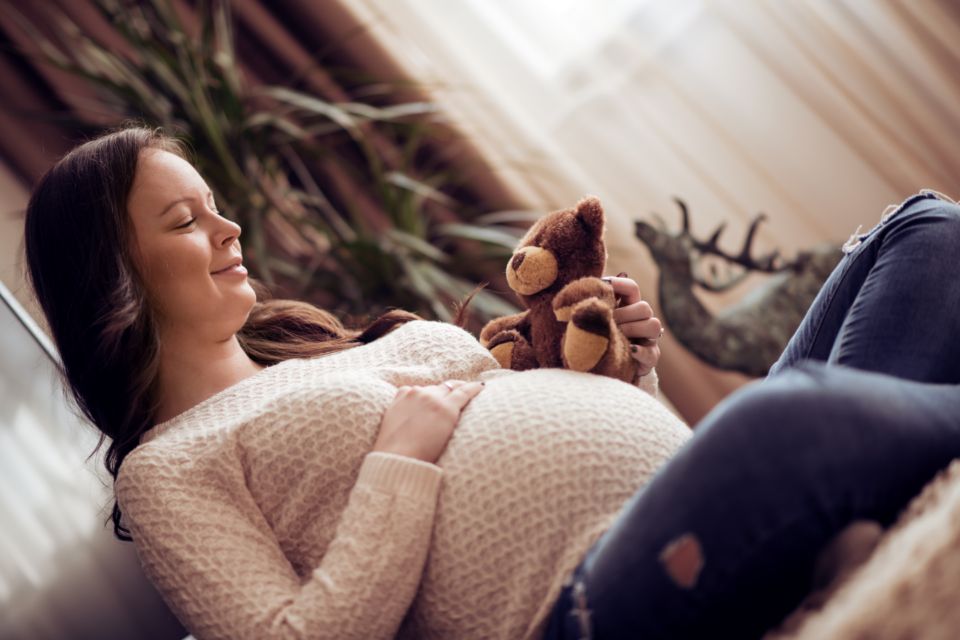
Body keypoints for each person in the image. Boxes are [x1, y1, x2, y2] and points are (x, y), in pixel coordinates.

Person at [21, 125, 960, 639]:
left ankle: (815, 536)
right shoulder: (170, 468)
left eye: (219, 211)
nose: (229, 232)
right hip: (582, 606)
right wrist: (398, 462)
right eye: (186, 221)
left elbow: (591, 440)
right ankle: (825, 519)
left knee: (923, 233)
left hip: (673, 511)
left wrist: (632, 367)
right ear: (114, 277)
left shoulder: (344, 352)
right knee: (789, 421)